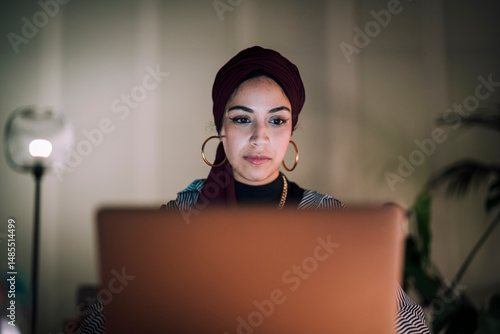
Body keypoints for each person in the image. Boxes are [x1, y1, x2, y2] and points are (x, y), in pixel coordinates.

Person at [78, 46, 429, 334]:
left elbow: (411, 325)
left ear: (291, 131)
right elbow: (99, 323)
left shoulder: (327, 218)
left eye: (277, 120)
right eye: (242, 118)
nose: (260, 137)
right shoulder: (180, 216)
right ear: (221, 129)